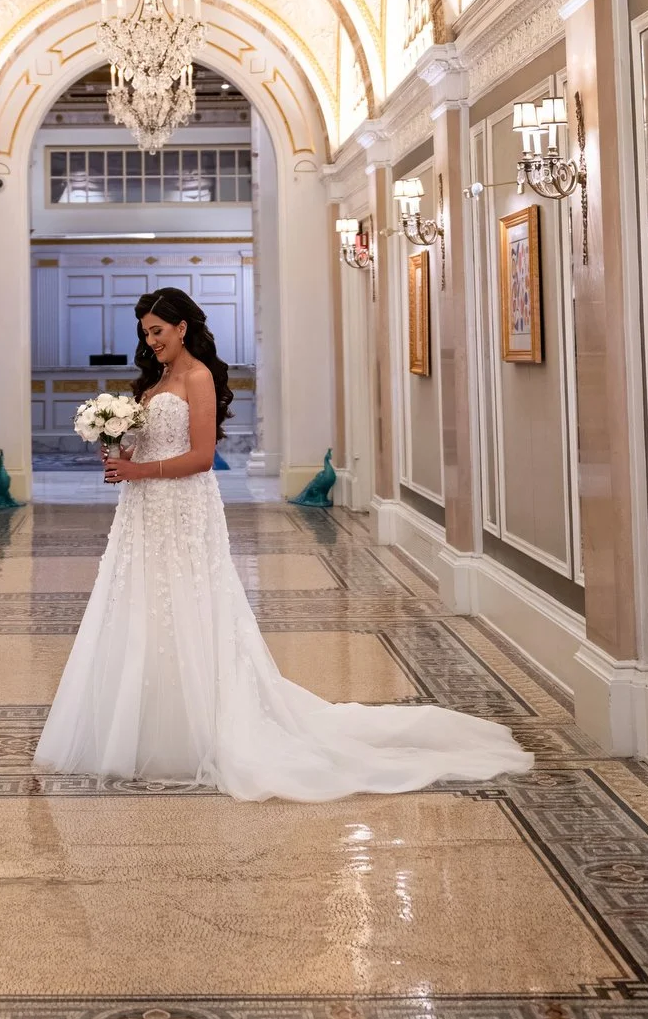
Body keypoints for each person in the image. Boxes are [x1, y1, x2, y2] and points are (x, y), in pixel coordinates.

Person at [34, 287, 533, 799]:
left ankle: (194, 729)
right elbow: (153, 443)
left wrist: (140, 467)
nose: (151, 341)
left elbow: (203, 456)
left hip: (182, 507)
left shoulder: (199, 378)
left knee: (183, 601)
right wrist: (119, 446)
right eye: (145, 333)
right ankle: (138, 728)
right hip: (142, 509)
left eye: (157, 331)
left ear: (182, 327)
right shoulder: (157, 379)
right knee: (141, 604)